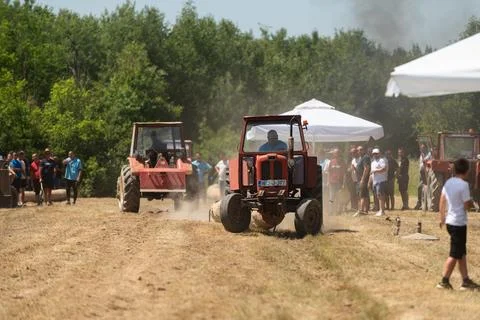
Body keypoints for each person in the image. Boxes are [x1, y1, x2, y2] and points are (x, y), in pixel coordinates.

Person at [436, 158, 480, 290]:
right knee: (455, 254)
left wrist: (441, 217)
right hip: (458, 223)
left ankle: (465, 281)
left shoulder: (448, 182)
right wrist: (472, 203)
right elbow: (467, 205)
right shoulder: (464, 185)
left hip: (450, 221)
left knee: (461, 253)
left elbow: (442, 200)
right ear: (467, 171)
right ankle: (444, 281)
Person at [327, 148, 345, 215]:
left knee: (339, 197)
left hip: (339, 182)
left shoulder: (342, 162)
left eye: (337, 153)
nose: (336, 154)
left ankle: (339, 211)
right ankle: (330, 211)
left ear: (339, 153)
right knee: (331, 197)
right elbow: (329, 172)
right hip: (332, 182)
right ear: (334, 154)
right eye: (335, 153)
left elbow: (344, 173)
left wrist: (343, 183)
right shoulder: (331, 161)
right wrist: (328, 181)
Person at [354, 145, 371, 216]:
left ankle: (360, 210)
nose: (359, 151)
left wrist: (362, 180)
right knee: (365, 195)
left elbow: (366, 168)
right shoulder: (362, 158)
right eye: (358, 150)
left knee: (362, 195)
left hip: (362, 180)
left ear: (364, 150)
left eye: (361, 150)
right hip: (360, 179)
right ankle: (365, 211)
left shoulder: (365, 157)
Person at [370, 148, 388, 216]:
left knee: (380, 195)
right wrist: (370, 181)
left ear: (379, 153)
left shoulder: (382, 160)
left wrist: (375, 171)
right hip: (375, 181)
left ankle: (382, 211)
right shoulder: (373, 162)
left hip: (381, 180)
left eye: (376, 153)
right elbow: (371, 173)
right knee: (378, 196)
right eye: (374, 154)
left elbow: (384, 169)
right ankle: (380, 210)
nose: (375, 155)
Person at [414, 143, 432, 210]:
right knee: (420, 188)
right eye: (421, 148)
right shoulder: (421, 155)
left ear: (426, 148)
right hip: (421, 173)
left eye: (423, 148)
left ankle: (423, 204)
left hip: (427, 173)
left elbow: (426, 161)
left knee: (423, 187)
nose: (422, 149)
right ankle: (419, 203)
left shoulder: (429, 154)